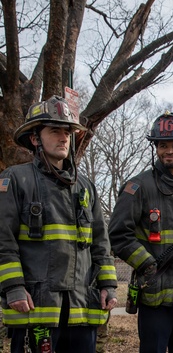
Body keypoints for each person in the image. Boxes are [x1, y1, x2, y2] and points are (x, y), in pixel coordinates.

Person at [0, 96, 118, 353]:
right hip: (36, 306)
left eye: (67, 132)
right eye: (55, 131)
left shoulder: (85, 187)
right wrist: (13, 287)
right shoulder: (15, 180)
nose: (64, 138)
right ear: (35, 139)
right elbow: (3, 241)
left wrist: (108, 286)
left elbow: (101, 242)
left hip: (80, 308)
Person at [109, 111, 173, 353]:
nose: (169, 151)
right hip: (155, 296)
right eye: (163, 145)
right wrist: (147, 265)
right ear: (155, 148)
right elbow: (118, 234)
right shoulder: (137, 186)